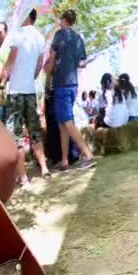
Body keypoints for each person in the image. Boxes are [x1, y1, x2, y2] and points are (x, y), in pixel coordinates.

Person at [0, 9, 50, 183]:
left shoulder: (18, 34)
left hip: (15, 92)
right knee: (35, 131)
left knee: (15, 136)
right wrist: (30, 78)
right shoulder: (40, 37)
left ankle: (23, 177)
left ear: (27, 15)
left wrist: (3, 79)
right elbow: (38, 66)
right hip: (30, 91)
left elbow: (11, 59)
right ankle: (44, 169)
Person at [43, 9, 96, 170]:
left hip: (61, 84)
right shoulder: (78, 38)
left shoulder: (59, 35)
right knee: (62, 123)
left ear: (63, 20)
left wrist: (47, 73)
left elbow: (51, 58)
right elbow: (81, 63)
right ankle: (65, 160)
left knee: (66, 121)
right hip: (73, 84)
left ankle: (88, 155)